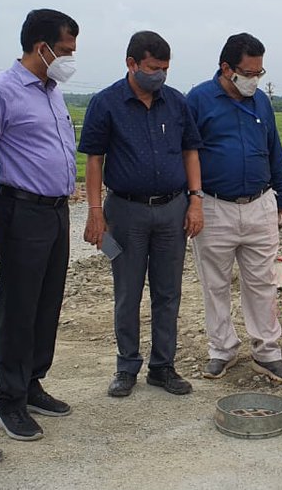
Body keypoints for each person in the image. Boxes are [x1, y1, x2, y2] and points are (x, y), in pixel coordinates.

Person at [79, 31, 203, 399]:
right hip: (125, 212)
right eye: (153, 68)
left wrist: (196, 200)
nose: (160, 75)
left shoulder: (176, 103)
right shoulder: (106, 103)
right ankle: (126, 366)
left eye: (165, 68)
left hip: (172, 209)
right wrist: (95, 212)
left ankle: (163, 367)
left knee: (168, 293)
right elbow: (94, 160)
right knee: (127, 291)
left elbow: (190, 152)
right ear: (131, 64)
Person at [0, 9, 80, 442]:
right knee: (19, 304)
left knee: (47, 299)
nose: (71, 59)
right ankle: (9, 399)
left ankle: (33, 381)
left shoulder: (52, 91)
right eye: (67, 50)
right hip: (20, 208)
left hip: (56, 210)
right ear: (43, 47)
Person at [186, 33, 282, 384]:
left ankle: (267, 352)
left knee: (262, 282)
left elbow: (273, 148)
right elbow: (186, 153)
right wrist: (192, 201)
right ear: (226, 68)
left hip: (260, 204)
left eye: (259, 73)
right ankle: (222, 350)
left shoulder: (261, 102)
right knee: (215, 284)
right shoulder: (199, 100)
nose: (254, 80)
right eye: (249, 73)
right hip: (214, 206)